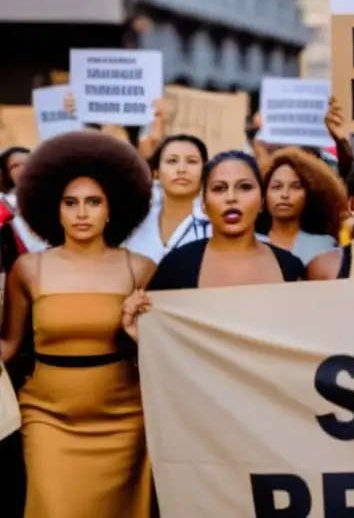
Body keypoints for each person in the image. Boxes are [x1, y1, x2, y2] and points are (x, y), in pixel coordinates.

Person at [0, 131, 155, 517]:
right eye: (71, 203)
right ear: (56, 209)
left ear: (111, 209)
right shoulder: (28, 268)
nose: (82, 213)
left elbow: (164, 353)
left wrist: (138, 334)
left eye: (93, 202)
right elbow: (9, 346)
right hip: (46, 417)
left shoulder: (140, 268)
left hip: (125, 421)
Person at [139, 152, 305, 292]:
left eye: (244, 187)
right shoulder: (176, 265)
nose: (231, 198)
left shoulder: (290, 266)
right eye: (219, 188)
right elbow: (155, 324)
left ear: (262, 201)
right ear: (203, 205)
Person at [125, 134, 211, 262]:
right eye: (172, 161)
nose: (182, 169)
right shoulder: (134, 220)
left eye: (192, 161)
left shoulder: (214, 225)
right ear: (156, 173)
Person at [259, 147, 344, 265]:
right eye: (276, 187)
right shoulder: (249, 242)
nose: (285, 195)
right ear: (263, 194)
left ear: (310, 193)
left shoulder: (323, 246)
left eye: (296, 187)